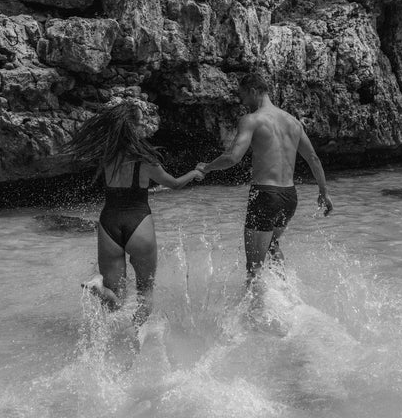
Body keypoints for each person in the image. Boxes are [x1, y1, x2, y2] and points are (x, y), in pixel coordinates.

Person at [67, 101, 204, 325]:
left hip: (109, 222)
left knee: (116, 296)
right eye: (140, 123)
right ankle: (139, 338)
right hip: (138, 221)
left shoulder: (107, 155)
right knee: (145, 292)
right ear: (132, 127)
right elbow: (175, 184)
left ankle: (100, 288)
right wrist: (194, 173)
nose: (143, 127)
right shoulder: (145, 160)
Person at [196, 72, 333, 283]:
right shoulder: (294, 122)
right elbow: (313, 158)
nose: (242, 102)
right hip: (289, 197)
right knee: (271, 246)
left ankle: (255, 313)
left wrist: (207, 167)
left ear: (253, 91)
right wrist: (323, 192)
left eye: (243, 96)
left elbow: (233, 158)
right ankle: (285, 295)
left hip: (265, 195)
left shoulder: (252, 120)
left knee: (253, 267)